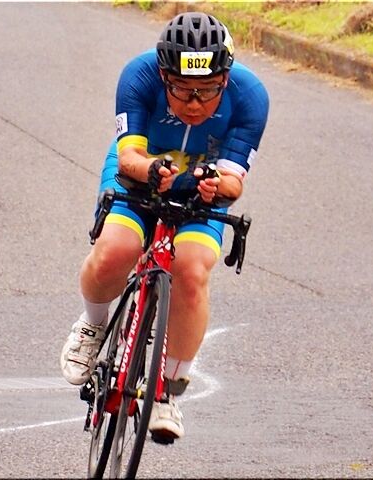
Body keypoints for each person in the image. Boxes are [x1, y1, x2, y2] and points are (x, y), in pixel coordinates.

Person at [60, 11, 269, 442]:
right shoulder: (138, 76)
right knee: (116, 250)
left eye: (207, 91)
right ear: (163, 75)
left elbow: (234, 182)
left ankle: (169, 390)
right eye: (181, 89)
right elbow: (129, 157)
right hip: (143, 169)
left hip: (202, 185)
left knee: (191, 271)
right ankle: (93, 324)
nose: (194, 103)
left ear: (225, 79)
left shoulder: (250, 97)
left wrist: (213, 184)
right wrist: (154, 170)